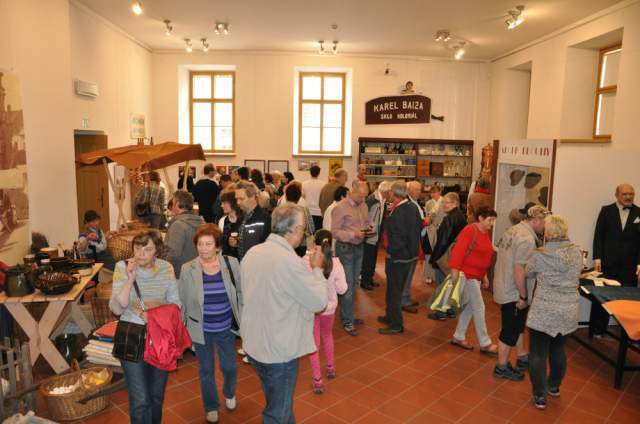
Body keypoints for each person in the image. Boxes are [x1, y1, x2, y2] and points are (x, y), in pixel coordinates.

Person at [241, 204, 328, 424]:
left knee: (279, 403)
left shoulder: (253, 253)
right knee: (277, 413)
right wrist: (317, 269)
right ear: (296, 229)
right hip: (278, 352)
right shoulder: (290, 262)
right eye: (303, 229)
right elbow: (319, 303)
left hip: (254, 344)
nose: (303, 234)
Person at [109, 230, 180, 424]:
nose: (141, 254)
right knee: (140, 400)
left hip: (159, 339)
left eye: (147, 249)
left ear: (157, 250)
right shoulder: (122, 267)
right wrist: (130, 279)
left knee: (156, 396)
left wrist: (154, 316)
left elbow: (176, 305)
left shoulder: (166, 268)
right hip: (132, 337)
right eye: (137, 248)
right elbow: (117, 308)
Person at [178, 224, 242, 424]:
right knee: (206, 370)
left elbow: (241, 292)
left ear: (217, 246)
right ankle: (211, 406)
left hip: (226, 327)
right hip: (201, 329)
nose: (203, 248)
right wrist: (182, 329)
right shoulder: (188, 268)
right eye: (200, 244)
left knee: (229, 367)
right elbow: (182, 301)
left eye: (208, 244)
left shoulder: (231, 263)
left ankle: (229, 392)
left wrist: (244, 318)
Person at [525, 215, 582, 410]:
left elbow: (528, 272)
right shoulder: (576, 252)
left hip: (545, 309)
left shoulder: (540, 254)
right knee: (558, 349)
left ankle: (540, 395)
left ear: (548, 233)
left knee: (538, 353)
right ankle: (554, 386)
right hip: (568, 309)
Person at [493, 205, 549, 381]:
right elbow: (519, 270)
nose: (545, 227)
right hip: (514, 291)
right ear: (536, 220)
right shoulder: (527, 239)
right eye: (544, 223)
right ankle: (501, 367)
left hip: (504, 283)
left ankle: (522, 356)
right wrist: (523, 296)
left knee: (517, 326)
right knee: (510, 329)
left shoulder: (513, 230)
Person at [449, 208, 498, 355]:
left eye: (493, 220)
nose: (492, 223)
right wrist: (454, 276)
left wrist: (484, 276)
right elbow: (458, 253)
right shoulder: (470, 230)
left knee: (470, 307)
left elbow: (483, 255)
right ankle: (485, 343)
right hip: (467, 276)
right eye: (490, 220)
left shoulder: (485, 232)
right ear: (481, 218)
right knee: (479, 307)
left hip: (476, 276)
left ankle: (458, 336)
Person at [306, 229, 347, 394]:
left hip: (312, 309)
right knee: (327, 336)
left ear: (314, 244)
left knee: (314, 342)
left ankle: (317, 380)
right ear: (331, 245)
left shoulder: (306, 261)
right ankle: (330, 368)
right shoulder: (337, 264)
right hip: (329, 309)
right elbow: (343, 289)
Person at [378, 181, 422, 335]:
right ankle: (390, 316)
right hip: (409, 255)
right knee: (394, 289)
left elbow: (398, 238)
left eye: (390, 192)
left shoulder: (399, 212)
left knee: (394, 292)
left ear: (393, 194)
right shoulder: (412, 207)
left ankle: (396, 324)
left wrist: (390, 252)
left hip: (398, 257)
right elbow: (418, 228)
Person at [332, 180, 369, 336]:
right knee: (346, 285)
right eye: (361, 196)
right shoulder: (340, 207)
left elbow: (365, 223)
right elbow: (334, 231)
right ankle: (347, 320)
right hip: (345, 249)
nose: (363, 199)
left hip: (359, 247)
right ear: (352, 192)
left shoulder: (364, 205)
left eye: (365, 196)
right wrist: (353, 234)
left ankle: (349, 315)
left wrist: (368, 229)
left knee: (354, 283)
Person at [428, 192, 467, 320]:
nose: (444, 205)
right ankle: (450, 310)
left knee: (442, 285)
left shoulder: (449, 218)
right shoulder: (461, 216)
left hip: (445, 256)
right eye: (443, 202)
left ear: (455, 203)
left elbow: (443, 241)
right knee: (451, 284)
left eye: (447, 202)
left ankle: (441, 313)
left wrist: (435, 258)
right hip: (456, 255)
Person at [593, 183, 640, 287]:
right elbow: (598, 236)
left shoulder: (639, 212)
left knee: (627, 295)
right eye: (624, 194)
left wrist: (639, 263)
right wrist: (597, 258)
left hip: (630, 267)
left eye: (631, 194)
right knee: (605, 294)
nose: (628, 197)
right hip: (608, 264)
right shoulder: (606, 211)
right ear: (616, 195)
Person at [165, 191, 204, 278]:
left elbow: (173, 254)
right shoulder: (201, 223)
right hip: (197, 272)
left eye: (173, 203)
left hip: (180, 274)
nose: (172, 207)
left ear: (177, 204)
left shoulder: (178, 225)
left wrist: (164, 269)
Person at [361, 181, 391, 290]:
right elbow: (364, 217)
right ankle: (365, 281)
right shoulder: (372, 200)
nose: (391, 194)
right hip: (370, 236)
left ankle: (369, 279)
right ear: (385, 191)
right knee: (368, 259)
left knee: (372, 258)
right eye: (390, 192)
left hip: (375, 235)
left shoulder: (382, 200)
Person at [401, 181, 426, 313]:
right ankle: (403, 301)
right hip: (409, 245)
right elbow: (412, 225)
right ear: (408, 190)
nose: (419, 192)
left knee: (410, 273)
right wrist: (425, 222)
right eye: (416, 189)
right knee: (406, 274)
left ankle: (406, 297)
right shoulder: (407, 204)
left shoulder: (414, 202)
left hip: (414, 243)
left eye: (420, 190)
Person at [235, 181, 271, 260]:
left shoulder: (264, 219)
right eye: (236, 199)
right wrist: (236, 242)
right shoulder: (241, 217)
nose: (238, 202)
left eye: (241, 199)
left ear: (253, 197)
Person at [284, 183, 315, 257]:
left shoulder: (280, 210)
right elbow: (311, 229)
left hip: (285, 244)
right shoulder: (303, 210)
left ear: (286, 196)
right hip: (301, 244)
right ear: (299, 197)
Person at [423, 185, 444, 283]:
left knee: (440, 253)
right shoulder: (428, 203)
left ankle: (439, 275)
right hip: (431, 229)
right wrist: (430, 217)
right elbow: (427, 217)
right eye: (431, 193)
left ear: (440, 192)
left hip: (442, 229)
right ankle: (429, 275)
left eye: (435, 192)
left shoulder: (445, 202)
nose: (433, 194)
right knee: (429, 253)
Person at [218, 190, 243, 259]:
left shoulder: (244, 220)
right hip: (226, 260)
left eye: (224, 203)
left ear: (233, 203)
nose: (221, 205)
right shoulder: (222, 221)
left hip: (242, 259)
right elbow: (220, 244)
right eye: (221, 203)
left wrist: (238, 244)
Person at [302, 165, 325, 230]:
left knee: (308, 233)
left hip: (308, 212)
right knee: (318, 232)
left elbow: (302, 197)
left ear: (310, 172)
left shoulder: (304, 184)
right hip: (319, 212)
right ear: (319, 173)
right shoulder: (323, 184)